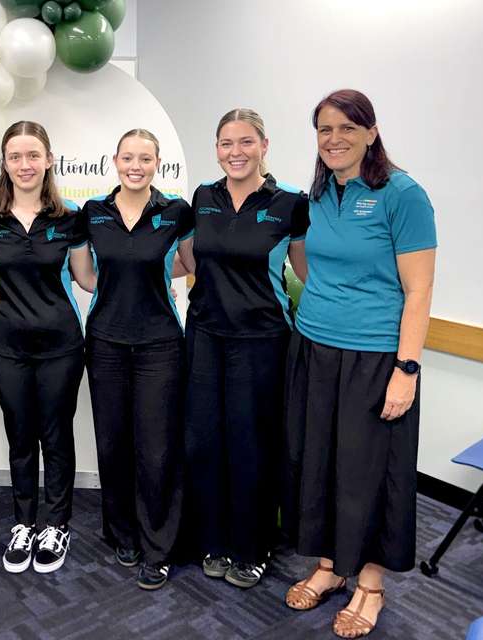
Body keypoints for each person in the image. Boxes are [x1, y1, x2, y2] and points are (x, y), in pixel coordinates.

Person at [282, 89, 436, 638]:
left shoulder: (403, 195)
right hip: (315, 346)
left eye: (348, 127)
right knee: (318, 462)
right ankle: (329, 567)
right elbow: (305, 264)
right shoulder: (318, 195)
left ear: (371, 132)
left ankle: (369, 582)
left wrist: (407, 368)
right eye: (324, 129)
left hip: (376, 357)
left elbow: (418, 292)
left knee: (368, 473)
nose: (335, 139)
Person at [180, 108, 308, 589]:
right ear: (216, 149)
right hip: (207, 335)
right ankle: (213, 539)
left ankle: (253, 546)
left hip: (262, 339)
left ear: (264, 145)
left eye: (246, 142)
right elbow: (193, 260)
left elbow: (305, 273)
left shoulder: (289, 203)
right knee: (205, 442)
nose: (236, 152)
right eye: (226, 143)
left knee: (253, 445)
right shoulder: (203, 197)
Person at [71, 129, 195, 590]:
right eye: (128, 157)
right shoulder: (94, 212)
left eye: (145, 158)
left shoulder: (175, 212)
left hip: (160, 344)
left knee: (158, 448)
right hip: (104, 342)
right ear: (115, 161)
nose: (135, 165)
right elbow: (85, 276)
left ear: (157, 162)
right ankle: (122, 532)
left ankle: (158, 547)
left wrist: (153, 274)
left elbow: (188, 262)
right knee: (113, 442)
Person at [0, 121, 87, 574]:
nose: (25, 164)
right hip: (5, 345)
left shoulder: (70, 215)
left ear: (49, 159)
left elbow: (87, 277)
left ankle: (56, 524)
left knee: (56, 434)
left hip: (60, 344)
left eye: (33, 155)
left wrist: (155, 277)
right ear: (4, 162)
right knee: (20, 435)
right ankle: (24, 522)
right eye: (15, 156)